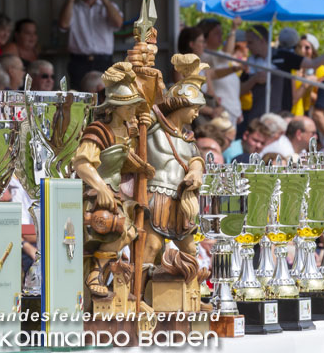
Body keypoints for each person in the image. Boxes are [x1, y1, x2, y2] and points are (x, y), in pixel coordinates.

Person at [72, 62, 150, 297]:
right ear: (114, 106)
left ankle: (102, 276)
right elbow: (82, 163)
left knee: (130, 232)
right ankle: (95, 273)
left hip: (119, 193)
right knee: (124, 230)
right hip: (97, 195)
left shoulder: (128, 131)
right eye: (128, 106)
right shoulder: (99, 130)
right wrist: (101, 187)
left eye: (134, 106)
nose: (132, 111)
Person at [142, 55, 207, 284]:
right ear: (181, 105)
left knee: (190, 248)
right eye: (194, 108)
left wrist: (195, 172)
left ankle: (192, 293)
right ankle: (137, 297)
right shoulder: (153, 125)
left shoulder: (188, 139)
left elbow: (196, 158)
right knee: (151, 246)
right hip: (155, 195)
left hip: (180, 200)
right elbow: (141, 109)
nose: (197, 114)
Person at [59, 0, 123, 90]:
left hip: (103, 61)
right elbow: (63, 24)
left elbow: (118, 23)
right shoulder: (73, 8)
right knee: (78, 98)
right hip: (79, 61)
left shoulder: (108, 6)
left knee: (106, 97)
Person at [200, 17, 243, 126]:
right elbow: (227, 54)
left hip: (232, 110)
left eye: (221, 33)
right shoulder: (205, 56)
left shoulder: (217, 55)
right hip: (220, 109)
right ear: (205, 36)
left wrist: (238, 110)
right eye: (216, 33)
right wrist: (233, 30)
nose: (221, 36)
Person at [291, 34, 324, 116]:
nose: (302, 50)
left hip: (309, 112)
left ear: (313, 51)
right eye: (299, 47)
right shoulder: (294, 68)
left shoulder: (320, 69)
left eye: (307, 47)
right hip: (296, 111)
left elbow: (323, 99)